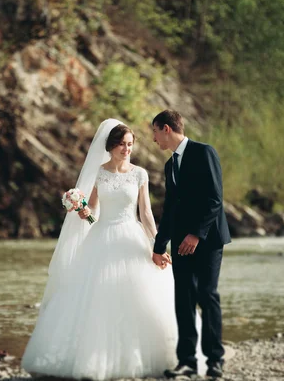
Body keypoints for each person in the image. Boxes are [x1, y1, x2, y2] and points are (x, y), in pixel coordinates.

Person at [21, 119, 184, 380]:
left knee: (141, 295)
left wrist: (157, 244)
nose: (126, 149)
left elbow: (146, 214)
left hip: (131, 237)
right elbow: (93, 211)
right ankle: (93, 358)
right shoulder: (100, 172)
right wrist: (82, 210)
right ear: (110, 146)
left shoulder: (140, 174)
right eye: (121, 144)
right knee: (94, 298)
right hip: (101, 238)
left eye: (130, 145)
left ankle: (149, 355)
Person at [151, 109, 231, 379]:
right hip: (180, 243)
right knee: (183, 300)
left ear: (166, 129)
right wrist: (159, 246)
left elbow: (215, 199)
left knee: (207, 295)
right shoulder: (170, 164)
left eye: (154, 132)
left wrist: (196, 234)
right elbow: (171, 208)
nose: (153, 140)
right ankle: (187, 362)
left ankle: (215, 361)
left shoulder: (204, 152)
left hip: (208, 240)